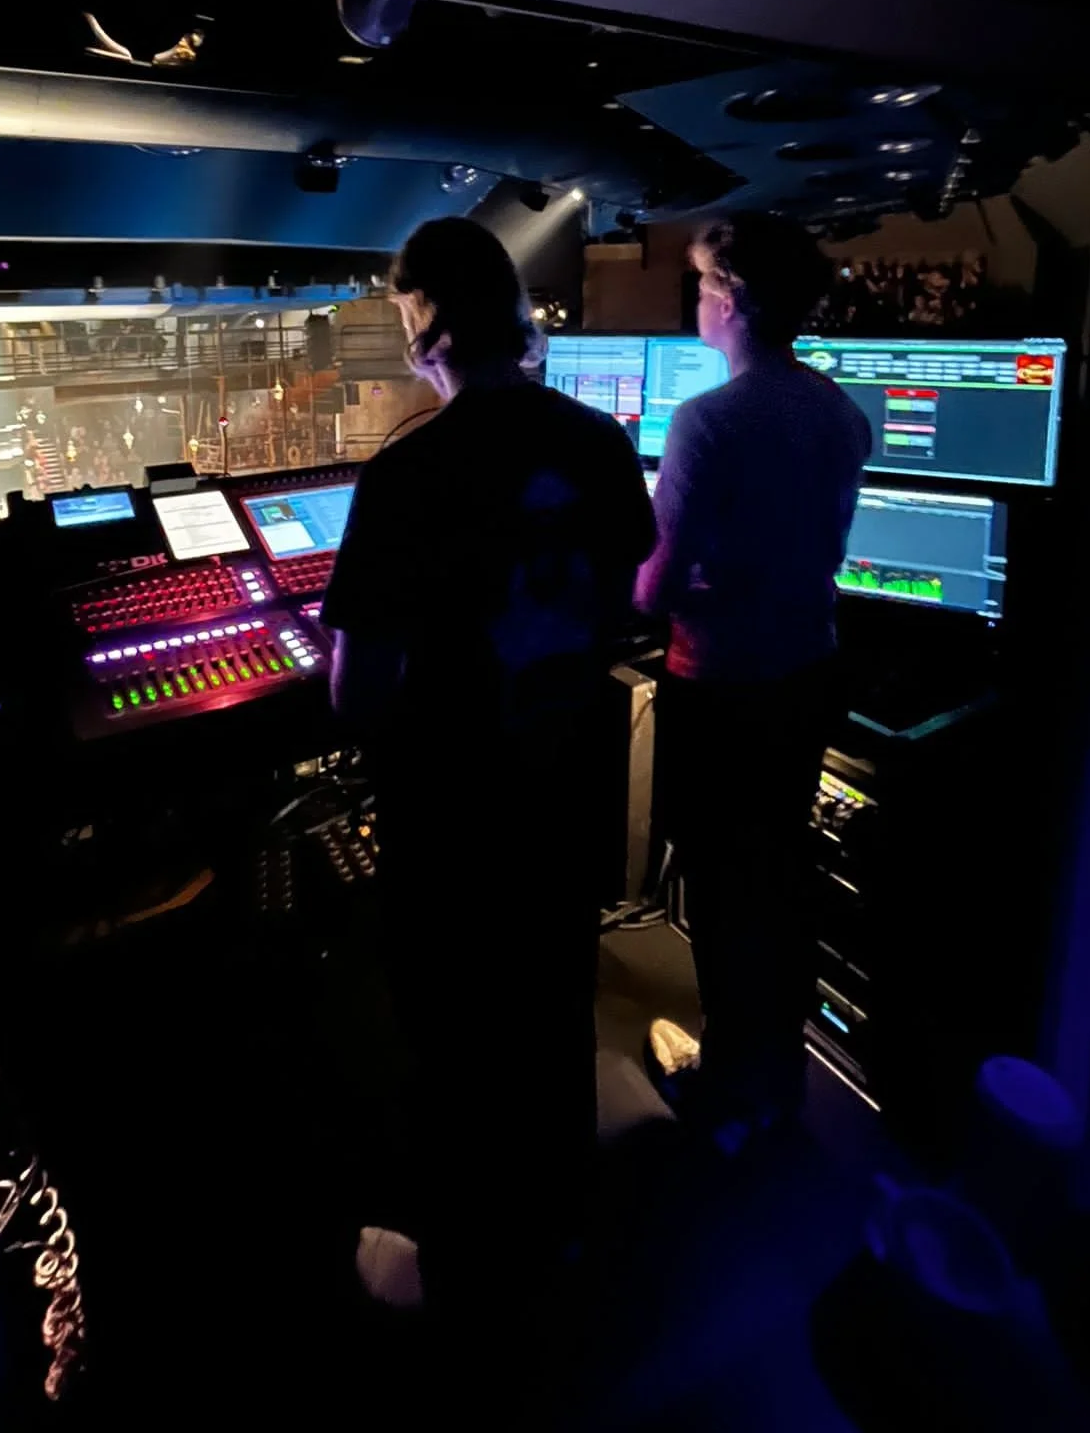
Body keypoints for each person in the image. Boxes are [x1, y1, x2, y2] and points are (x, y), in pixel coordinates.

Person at [322, 217, 655, 1332]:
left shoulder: (407, 472)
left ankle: (464, 1273)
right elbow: (621, 597)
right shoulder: (602, 442)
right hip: (566, 789)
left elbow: (355, 694)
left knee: (454, 1037)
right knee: (553, 1006)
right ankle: (562, 1225)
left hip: (454, 817)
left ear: (426, 317)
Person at [636, 214, 870, 1147]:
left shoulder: (708, 421)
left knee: (722, 888)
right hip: (805, 674)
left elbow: (653, 589)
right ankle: (777, 1071)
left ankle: (727, 1083)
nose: (697, 299)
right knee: (778, 872)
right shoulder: (839, 411)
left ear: (729, 301)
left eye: (702, 283)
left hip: (720, 684)